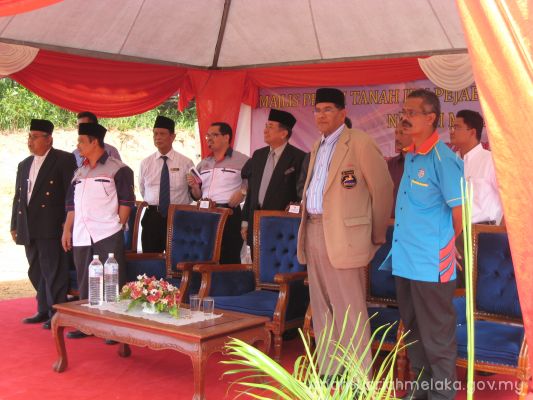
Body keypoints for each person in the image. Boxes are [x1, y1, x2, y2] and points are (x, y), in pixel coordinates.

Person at [297, 88, 393, 374]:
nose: (321, 115)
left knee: (349, 308)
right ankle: (331, 371)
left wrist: (375, 234)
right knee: (322, 306)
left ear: (343, 113)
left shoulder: (360, 142)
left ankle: (358, 376)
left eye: (328, 109)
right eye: (317, 110)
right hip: (314, 229)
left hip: (345, 237)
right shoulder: (318, 144)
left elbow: (383, 189)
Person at [380, 89, 464, 400]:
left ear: (430, 118)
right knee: (414, 330)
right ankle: (421, 389)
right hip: (405, 259)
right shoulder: (412, 155)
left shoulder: (444, 159)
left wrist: (447, 244)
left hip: (431, 263)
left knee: (437, 335)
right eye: (403, 111)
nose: (405, 117)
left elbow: (460, 211)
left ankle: (442, 395)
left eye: (412, 112)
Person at [62, 123, 135, 339]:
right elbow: (72, 205)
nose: (78, 145)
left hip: (107, 232)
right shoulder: (79, 172)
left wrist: (118, 225)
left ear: (95, 142)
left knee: (112, 279)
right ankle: (88, 324)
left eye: (81, 141)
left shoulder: (118, 169)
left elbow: (126, 202)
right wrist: (67, 230)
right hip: (81, 233)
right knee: (86, 278)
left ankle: (114, 327)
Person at [11, 119, 77, 329]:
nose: (30, 141)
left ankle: (57, 313)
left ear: (49, 139)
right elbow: (18, 197)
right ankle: (43, 308)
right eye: (29, 137)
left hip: (51, 225)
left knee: (53, 271)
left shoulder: (63, 160)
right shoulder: (24, 164)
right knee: (35, 270)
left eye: (35, 137)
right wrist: (15, 224)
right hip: (29, 226)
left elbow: (71, 194)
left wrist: (67, 224)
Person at [241, 109, 305, 250]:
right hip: (255, 222)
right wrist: (245, 222)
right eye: (265, 126)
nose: (265, 130)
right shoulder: (258, 155)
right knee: (257, 262)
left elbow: (301, 194)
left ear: (283, 133)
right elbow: (251, 192)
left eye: (270, 127)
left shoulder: (299, 157)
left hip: (283, 225)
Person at [187, 122, 249, 264]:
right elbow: (197, 195)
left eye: (214, 135)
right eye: (207, 136)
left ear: (226, 137)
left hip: (229, 214)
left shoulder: (242, 160)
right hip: (204, 213)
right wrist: (195, 187)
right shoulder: (203, 163)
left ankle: (228, 279)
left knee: (229, 258)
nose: (209, 139)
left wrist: (243, 191)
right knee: (204, 257)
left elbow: (255, 182)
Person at [139, 116, 194, 252]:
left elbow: (193, 192)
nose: (158, 137)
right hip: (152, 217)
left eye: (162, 134)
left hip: (178, 216)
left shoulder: (186, 162)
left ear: (172, 137)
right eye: (155, 134)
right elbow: (142, 189)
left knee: (178, 258)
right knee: (150, 259)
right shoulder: (146, 163)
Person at [450, 109, 503, 225]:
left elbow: (510, 199)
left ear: (472, 132)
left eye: (457, 127)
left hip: (484, 230)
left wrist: (502, 230)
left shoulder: (491, 161)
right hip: (452, 230)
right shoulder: (449, 162)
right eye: (452, 127)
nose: (451, 131)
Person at [387, 125, 413, 217]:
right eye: (396, 133)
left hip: (419, 224)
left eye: (402, 133)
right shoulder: (390, 165)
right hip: (393, 223)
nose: (397, 138)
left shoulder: (427, 163)